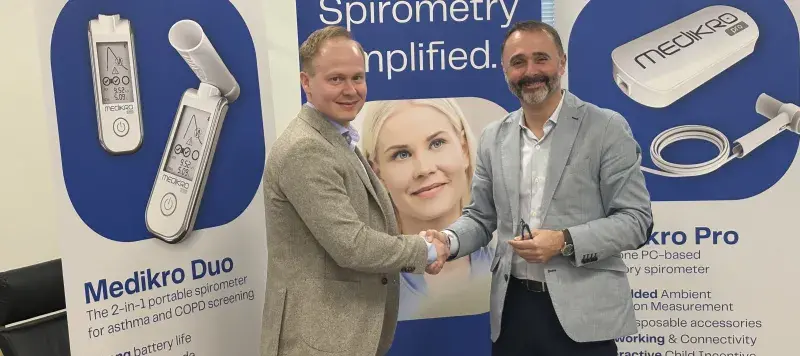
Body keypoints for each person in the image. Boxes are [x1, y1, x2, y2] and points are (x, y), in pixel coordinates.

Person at [424, 20, 654, 355]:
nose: (530, 71)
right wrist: (449, 240)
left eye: (541, 59)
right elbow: (480, 217)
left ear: (562, 62)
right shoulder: (493, 137)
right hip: (513, 311)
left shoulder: (606, 128)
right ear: (505, 70)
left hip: (584, 317)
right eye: (518, 62)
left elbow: (637, 221)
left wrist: (564, 241)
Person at [260, 25, 449, 356]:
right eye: (336, 79)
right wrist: (425, 250)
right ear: (306, 82)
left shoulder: (337, 137)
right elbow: (352, 245)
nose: (351, 90)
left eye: (357, 78)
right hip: (320, 341)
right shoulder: (306, 149)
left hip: (345, 334)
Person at [359, 98, 496, 320]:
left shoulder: (507, 272)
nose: (424, 169)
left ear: (463, 150)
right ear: (378, 174)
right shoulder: (367, 290)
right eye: (401, 154)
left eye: (436, 143)